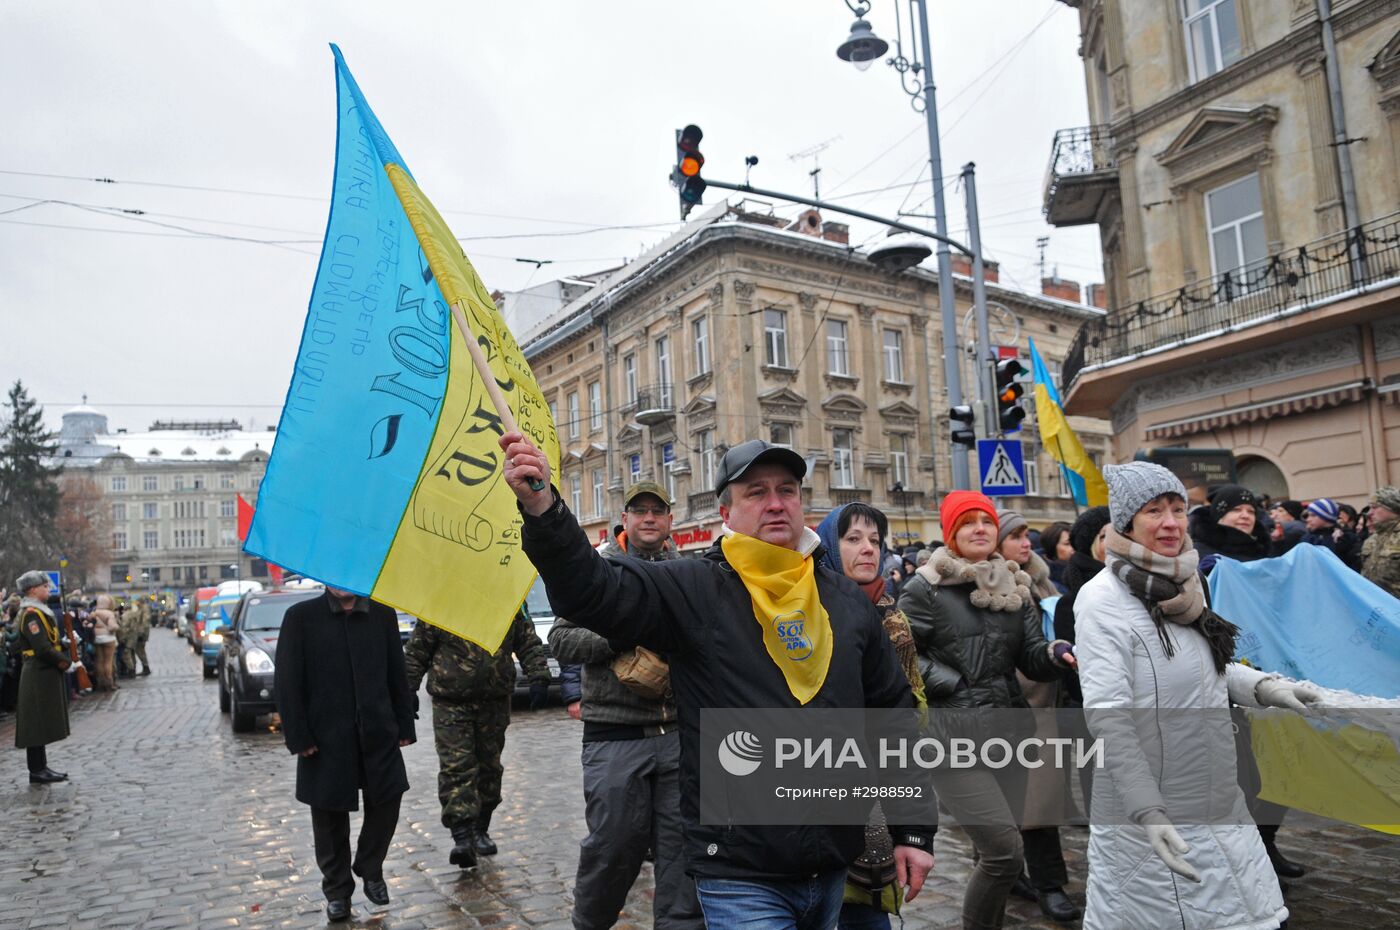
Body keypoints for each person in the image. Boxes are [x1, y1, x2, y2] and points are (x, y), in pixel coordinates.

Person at [501, 433, 935, 930]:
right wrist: (543, 507)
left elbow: (891, 717)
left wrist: (914, 829)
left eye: (787, 490)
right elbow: (592, 592)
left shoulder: (844, 600)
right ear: (726, 513)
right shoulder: (695, 587)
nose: (775, 503)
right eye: (756, 492)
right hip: (739, 870)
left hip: (830, 862)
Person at [1073, 462, 1323, 930]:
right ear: (1126, 522)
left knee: (1256, 916)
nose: (1170, 522)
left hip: (1217, 796)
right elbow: (1108, 717)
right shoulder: (1100, 600)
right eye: (1153, 511)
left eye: (1177, 509)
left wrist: (1267, 688)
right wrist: (1148, 810)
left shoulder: (1188, 582)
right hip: (1152, 811)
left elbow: (1207, 668)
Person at [898, 492, 1078, 929]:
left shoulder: (1014, 583)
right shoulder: (925, 587)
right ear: (950, 534)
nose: (980, 528)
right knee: (1003, 854)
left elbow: (1030, 654)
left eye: (986, 521)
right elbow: (899, 654)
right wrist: (953, 681)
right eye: (968, 523)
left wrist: (1054, 653)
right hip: (952, 739)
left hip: (1008, 734)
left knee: (998, 854)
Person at [548, 480, 701, 930]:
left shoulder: (688, 572)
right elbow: (561, 640)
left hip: (678, 735)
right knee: (613, 847)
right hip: (614, 736)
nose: (649, 518)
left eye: (658, 511)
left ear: (671, 520)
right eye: (640, 511)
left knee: (682, 853)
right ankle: (590, 923)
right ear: (625, 518)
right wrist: (617, 636)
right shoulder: (598, 569)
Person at [274, 585, 416, 922]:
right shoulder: (301, 618)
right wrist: (299, 736)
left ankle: (370, 865)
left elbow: (397, 673)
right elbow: (287, 682)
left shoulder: (382, 615)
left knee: (389, 799)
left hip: (378, 730)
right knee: (328, 819)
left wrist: (404, 725)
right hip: (325, 738)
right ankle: (337, 891)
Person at [816, 502, 927, 930]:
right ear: (828, 544)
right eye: (853, 539)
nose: (868, 550)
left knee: (867, 913)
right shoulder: (809, 614)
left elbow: (915, 708)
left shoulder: (893, 617)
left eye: (876, 541)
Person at [404, 604, 550, 868]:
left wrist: (538, 674)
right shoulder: (441, 600)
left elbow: (526, 639)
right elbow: (418, 649)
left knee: (489, 767)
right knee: (456, 767)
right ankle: (462, 836)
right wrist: (408, 688)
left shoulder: (509, 596)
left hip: (494, 699)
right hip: (450, 700)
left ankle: (481, 827)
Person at [996, 508, 1081, 923]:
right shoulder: (994, 586)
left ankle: (1022, 875)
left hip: (1048, 695)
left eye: (1027, 534)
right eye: (1015, 536)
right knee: (1028, 804)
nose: (1024, 542)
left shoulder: (1043, 579)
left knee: (1038, 801)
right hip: (1015, 701)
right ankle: (1045, 883)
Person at [12, 571, 71, 784]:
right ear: (33, 590)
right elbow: (41, 648)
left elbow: (47, 641)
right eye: (45, 586)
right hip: (37, 671)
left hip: (42, 671)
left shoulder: (38, 612)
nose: (48, 588)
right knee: (35, 723)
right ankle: (36, 770)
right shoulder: (31, 614)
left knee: (41, 721)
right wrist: (64, 662)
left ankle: (41, 766)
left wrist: (62, 645)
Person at [1188, 484, 1271, 573]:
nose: (1246, 516)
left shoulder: (1263, 551)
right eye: (1236, 509)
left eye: (1251, 511)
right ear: (1218, 516)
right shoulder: (1197, 554)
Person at [1360, 486, 1400, 598]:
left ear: (1392, 508)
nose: (1369, 513)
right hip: (1376, 607)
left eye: (1374, 507)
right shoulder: (1371, 540)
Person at [1301, 498, 1361, 569]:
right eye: (1308, 515)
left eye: (1313, 515)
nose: (1308, 519)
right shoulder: (1307, 537)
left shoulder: (1343, 537)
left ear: (1326, 517)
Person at [89, 594, 121, 692]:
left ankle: (100, 683)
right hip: (108, 638)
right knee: (108, 661)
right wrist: (116, 627)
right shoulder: (109, 613)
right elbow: (112, 627)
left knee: (99, 661)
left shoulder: (94, 612)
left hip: (96, 638)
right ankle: (108, 683)